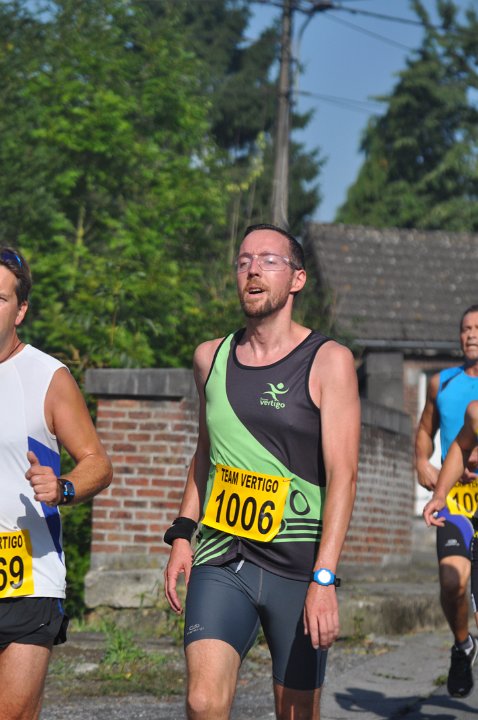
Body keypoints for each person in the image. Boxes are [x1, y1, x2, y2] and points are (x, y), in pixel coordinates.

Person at [164, 223, 360, 720]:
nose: (252, 270)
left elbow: (344, 476)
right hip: (221, 554)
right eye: (243, 261)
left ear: (297, 279)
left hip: (297, 565)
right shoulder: (210, 357)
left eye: (269, 261)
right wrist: (183, 534)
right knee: (202, 701)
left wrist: (325, 577)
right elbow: (205, 453)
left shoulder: (329, 361)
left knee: (295, 712)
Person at [0, 247, 113, 720]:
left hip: (27, 571)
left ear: (20, 310)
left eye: (0, 298)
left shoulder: (47, 376)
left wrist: (63, 487)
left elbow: (97, 463)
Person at [415, 305, 478, 698]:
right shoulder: (444, 382)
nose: (471, 334)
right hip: (456, 497)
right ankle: (462, 645)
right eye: (465, 328)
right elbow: (426, 430)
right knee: (452, 582)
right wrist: (422, 461)